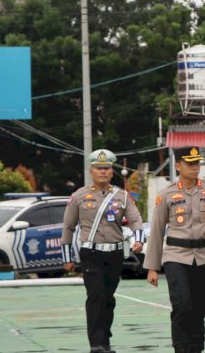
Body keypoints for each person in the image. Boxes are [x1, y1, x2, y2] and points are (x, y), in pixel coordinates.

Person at [145, 147, 205, 353]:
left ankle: (196, 348)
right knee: (182, 305)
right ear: (178, 166)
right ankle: (181, 348)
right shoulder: (167, 194)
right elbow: (156, 230)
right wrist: (152, 267)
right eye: (189, 163)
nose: (194, 167)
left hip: (203, 256)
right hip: (176, 256)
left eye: (197, 163)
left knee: (199, 308)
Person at [61, 149, 144, 353]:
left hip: (115, 254)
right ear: (91, 170)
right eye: (99, 168)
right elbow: (68, 227)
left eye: (107, 168)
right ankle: (96, 344)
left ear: (112, 171)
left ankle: (105, 341)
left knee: (108, 298)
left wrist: (139, 240)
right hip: (91, 254)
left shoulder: (122, 196)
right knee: (96, 296)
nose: (103, 172)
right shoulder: (79, 196)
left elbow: (135, 220)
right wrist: (67, 257)